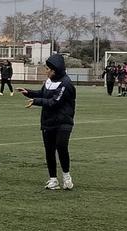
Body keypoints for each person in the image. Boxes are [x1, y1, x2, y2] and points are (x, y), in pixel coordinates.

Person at [18, 53, 76, 191]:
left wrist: (36, 102)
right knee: (49, 150)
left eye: (48, 69)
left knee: (61, 147)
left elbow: (54, 101)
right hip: (48, 121)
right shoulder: (49, 81)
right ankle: (53, 180)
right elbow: (43, 93)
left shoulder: (66, 84)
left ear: (55, 70)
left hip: (63, 122)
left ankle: (67, 177)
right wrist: (29, 92)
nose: (46, 71)